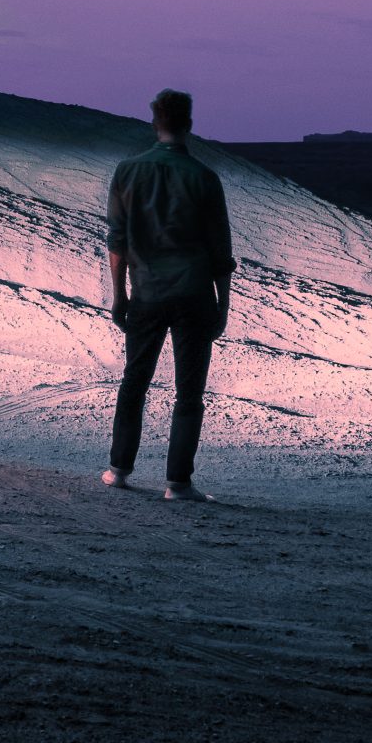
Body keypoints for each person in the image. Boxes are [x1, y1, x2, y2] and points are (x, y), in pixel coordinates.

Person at [103, 88, 233, 502]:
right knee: (189, 390)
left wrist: (119, 293)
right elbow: (220, 252)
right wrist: (223, 304)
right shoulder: (204, 178)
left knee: (134, 380)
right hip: (194, 292)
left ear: (154, 122)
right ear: (189, 124)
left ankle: (119, 469)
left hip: (146, 290)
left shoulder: (127, 171)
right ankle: (178, 483)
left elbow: (117, 240)